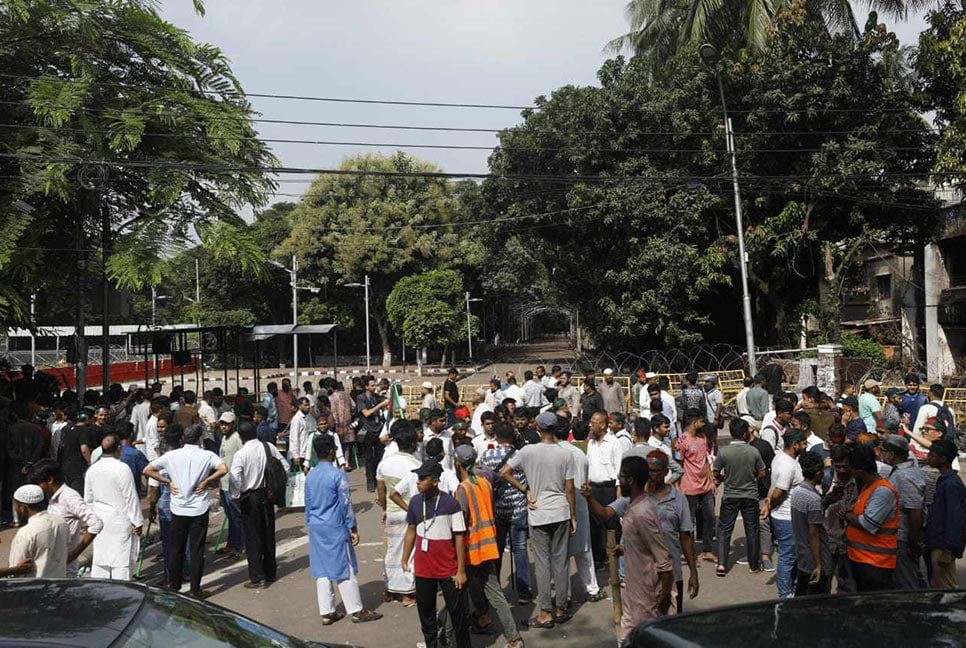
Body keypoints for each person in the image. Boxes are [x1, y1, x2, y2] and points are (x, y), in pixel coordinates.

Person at [500, 411, 576, 629]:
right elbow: (569, 488)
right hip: (560, 511)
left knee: (543, 564)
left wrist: (526, 490)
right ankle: (561, 608)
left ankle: (545, 613)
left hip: (539, 512)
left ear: (538, 428)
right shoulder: (565, 454)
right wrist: (573, 515)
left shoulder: (528, 451)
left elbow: (505, 472)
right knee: (561, 562)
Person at [449, 445, 523, 648]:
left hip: (472, 548)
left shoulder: (463, 488)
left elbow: (461, 522)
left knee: (456, 594)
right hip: (488, 544)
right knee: (496, 594)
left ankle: (445, 639)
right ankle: (514, 639)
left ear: (458, 464)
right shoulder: (485, 482)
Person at [305, 434, 382, 625]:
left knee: (321, 569)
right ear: (332, 451)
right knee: (344, 567)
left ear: (315, 452)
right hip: (334, 526)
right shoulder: (338, 475)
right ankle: (356, 609)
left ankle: (327, 611)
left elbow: (307, 503)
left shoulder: (310, 476)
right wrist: (352, 527)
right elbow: (345, 504)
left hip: (316, 526)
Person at [143, 424, 227, 597]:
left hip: (178, 508)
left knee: (176, 549)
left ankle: (175, 586)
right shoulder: (207, 455)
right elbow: (223, 469)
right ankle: (195, 589)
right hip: (198, 508)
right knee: (196, 550)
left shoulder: (171, 456)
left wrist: (167, 482)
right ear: (199, 438)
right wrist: (206, 481)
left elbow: (148, 470)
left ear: (183, 439)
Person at [401, 459, 470, 648]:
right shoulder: (416, 502)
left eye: (422, 479)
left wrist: (461, 570)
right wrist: (405, 558)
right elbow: (411, 531)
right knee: (426, 615)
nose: (418, 482)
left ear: (434, 481)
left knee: (458, 616)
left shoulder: (450, 504)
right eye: (418, 478)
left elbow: (459, 537)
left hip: (448, 568)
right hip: (423, 570)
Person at [616, 456, 673, 641]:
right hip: (634, 589)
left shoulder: (641, 513)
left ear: (631, 480)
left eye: (622, 476)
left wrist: (664, 595)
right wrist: (625, 549)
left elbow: (663, 558)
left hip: (646, 595)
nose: (619, 479)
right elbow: (644, 547)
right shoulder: (635, 506)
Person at [229, 420, 290, 589]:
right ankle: (271, 572)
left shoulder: (241, 454)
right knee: (268, 534)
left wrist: (236, 495)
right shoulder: (268, 447)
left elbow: (235, 478)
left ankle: (257, 576)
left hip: (249, 498)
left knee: (253, 537)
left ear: (240, 437)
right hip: (267, 495)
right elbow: (285, 466)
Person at [479, 421, 533, 603]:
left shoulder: (487, 455)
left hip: (496, 509)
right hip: (518, 507)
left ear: (495, 436)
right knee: (520, 549)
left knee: (497, 551)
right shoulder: (521, 455)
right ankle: (524, 591)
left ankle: (495, 590)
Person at [554, 419, 605, 604]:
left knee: (561, 554)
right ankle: (592, 589)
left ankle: (564, 596)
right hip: (580, 504)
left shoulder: (554, 453)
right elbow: (586, 479)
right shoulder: (580, 454)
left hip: (560, 506)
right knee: (584, 549)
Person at [28, 459, 102, 577]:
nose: (38, 488)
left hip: (65, 571)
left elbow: (96, 523)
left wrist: (75, 554)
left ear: (50, 480)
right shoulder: (52, 498)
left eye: (38, 483)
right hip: (52, 565)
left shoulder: (69, 497)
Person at [84, 434, 144, 581]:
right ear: (119, 449)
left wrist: (90, 521)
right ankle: (121, 591)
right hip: (119, 520)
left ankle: (100, 590)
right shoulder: (122, 468)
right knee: (121, 561)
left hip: (99, 520)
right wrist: (137, 521)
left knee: (101, 559)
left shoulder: (92, 469)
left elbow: (88, 498)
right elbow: (130, 497)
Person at [375, 421, 421, 606]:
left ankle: (390, 589)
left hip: (392, 514)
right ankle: (408, 593)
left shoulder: (384, 464)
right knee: (409, 553)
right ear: (412, 444)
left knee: (391, 551)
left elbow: (380, 489)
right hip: (409, 512)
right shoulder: (416, 464)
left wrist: (385, 508)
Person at [713, 418, 765, 575]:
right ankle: (754, 565)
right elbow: (762, 472)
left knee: (724, 530)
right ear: (744, 434)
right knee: (752, 530)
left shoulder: (724, 452)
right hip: (750, 495)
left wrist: (725, 478)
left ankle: (722, 564)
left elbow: (715, 472)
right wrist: (752, 478)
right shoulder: (753, 451)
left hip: (730, 495)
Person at [844, 445, 899, 592]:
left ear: (860, 471)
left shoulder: (882, 491)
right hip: (863, 560)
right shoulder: (868, 487)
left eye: (852, 469)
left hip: (875, 564)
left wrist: (847, 516)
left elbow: (867, 524)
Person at [761, 429, 806, 598]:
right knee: (788, 556)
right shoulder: (787, 464)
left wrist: (768, 504)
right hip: (787, 517)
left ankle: (790, 587)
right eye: (803, 444)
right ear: (795, 445)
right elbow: (779, 490)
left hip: (785, 516)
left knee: (791, 554)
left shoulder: (780, 457)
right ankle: (785, 593)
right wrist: (770, 504)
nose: (805, 446)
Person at [880, 434, 927, 589]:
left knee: (907, 583)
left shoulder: (906, 476)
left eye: (883, 451)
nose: (881, 454)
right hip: (898, 537)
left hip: (904, 538)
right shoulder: (900, 471)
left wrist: (913, 542)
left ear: (892, 454)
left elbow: (915, 512)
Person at [676, 409, 717, 563]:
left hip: (705, 487)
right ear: (694, 422)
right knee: (688, 521)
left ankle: (707, 550)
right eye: (701, 421)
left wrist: (711, 480)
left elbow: (706, 460)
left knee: (710, 517)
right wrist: (678, 485)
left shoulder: (703, 438)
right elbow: (679, 464)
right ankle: (689, 552)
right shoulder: (682, 441)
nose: (703, 424)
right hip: (689, 487)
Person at [924, 439, 965, 589]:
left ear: (942, 459)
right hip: (937, 542)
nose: (928, 457)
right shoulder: (944, 480)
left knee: (946, 588)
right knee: (937, 585)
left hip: (942, 546)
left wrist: (949, 550)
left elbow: (955, 519)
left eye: (932, 455)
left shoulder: (951, 484)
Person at [790, 451, 833, 595]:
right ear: (818, 473)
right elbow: (814, 533)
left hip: (802, 554)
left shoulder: (797, 492)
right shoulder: (813, 499)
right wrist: (819, 565)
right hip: (814, 557)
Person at [4, 484, 68, 578]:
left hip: (33, 589)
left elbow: (15, 574)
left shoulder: (26, 533)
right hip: (57, 586)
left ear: (23, 508)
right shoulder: (61, 522)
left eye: (16, 507)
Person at [586, 410, 623, 569]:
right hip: (594, 488)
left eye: (593, 422)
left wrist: (618, 492)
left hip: (609, 489)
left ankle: (614, 556)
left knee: (611, 523)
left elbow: (619, 468)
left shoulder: (614, 443)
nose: (590, 424)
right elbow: (589, 466)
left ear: (602, 425)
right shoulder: (591, 443)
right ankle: (598, 558)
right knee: (594, 524)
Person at [217, 411, 245, 560]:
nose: (223, 426)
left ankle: (240, 546)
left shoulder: (237, 438)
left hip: (233, 484)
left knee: (237, 517)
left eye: (226, 424)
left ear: (233, 424)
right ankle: (232, 543)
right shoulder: (223, 438)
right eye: (222, 423)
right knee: (230, 516)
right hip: (223, 483)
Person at [357, 378, 390, 493]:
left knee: (379, 457)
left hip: (378, 430)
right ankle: (370, 482)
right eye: (372, 385)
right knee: (369, 459)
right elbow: (366, 413)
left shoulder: (377, 397)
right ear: (366, 387)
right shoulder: (361, 398)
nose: (374, 387)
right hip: (368, 431)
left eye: (375, 385)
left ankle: (378, 480)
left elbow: (388, 403)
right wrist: (380, 405)